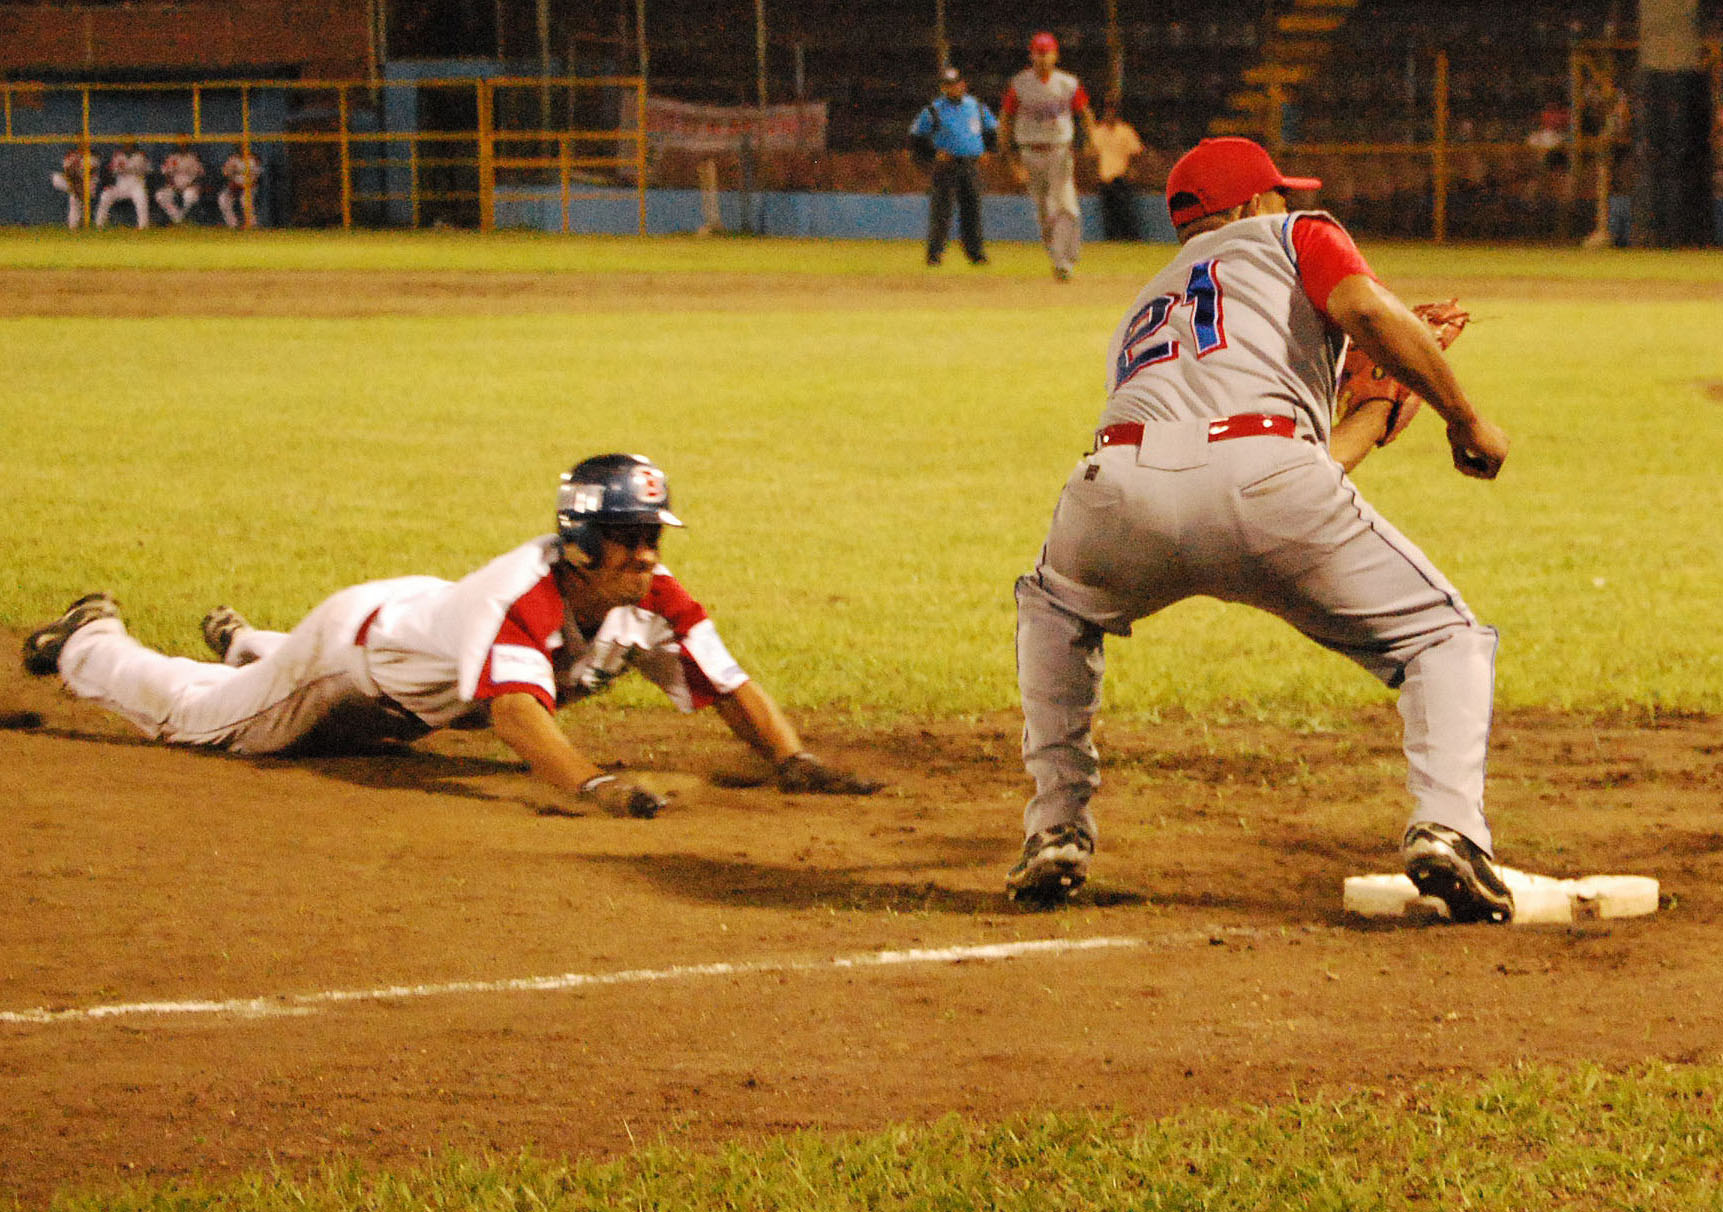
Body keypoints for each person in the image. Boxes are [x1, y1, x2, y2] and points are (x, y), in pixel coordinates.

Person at [1008, 137, 1514, 925]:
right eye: (1277, 192)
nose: (1286, 202)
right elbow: (1357, 323)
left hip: (1113, 487)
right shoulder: (1298, 232)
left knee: (1054, 609)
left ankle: (1054, 831)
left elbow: (1238, 464)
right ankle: (1448, 829)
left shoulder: (1147, 304)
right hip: (1265, 476)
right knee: (1443, 640)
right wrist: (1464, 418)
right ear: (1249, 206)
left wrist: (1371, 415)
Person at [21, 454, 883, 816]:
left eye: (656, 536)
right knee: (205, 723)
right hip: (349, 657)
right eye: (633, 536)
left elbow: (725, 682)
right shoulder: (525, 594)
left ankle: (249, 642)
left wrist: (791, 763)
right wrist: (593, 787)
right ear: (582, 541)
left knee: (374, 717)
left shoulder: (648, 595)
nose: (649, 555)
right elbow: (513, 717)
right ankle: (89, 643)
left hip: (416, 642)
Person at [998, 31, 1098, 281]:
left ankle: (1064, 261)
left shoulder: (1067, 83)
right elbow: (1006, 120)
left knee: (1065, 205)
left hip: (1059, 150)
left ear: (1055, 55)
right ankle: (1060, 255)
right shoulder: (1020, 83)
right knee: (1044, 212)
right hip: (1030, 152)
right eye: (1038, 53)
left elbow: (1084, 112)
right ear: (1031, 55)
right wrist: (1010, 158)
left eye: (1047, 53)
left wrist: (1091, 141)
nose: (1042, 58)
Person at [907, 65, 998, 267]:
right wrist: (933, 154)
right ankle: (935, 254)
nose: (951, 89)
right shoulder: (933, 110)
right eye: (947, 85)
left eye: (954, 84)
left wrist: (988, 151)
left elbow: (992, 131)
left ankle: (975, 253)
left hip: (970, 164)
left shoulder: (977, 107)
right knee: (941, 211)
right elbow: (916, 138)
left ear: (962, 84)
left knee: (972, 210)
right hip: (946, 166)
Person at [1091, 101, 1144, 240]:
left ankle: (1130, 237)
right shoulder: (1097, 132)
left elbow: (1135, 153)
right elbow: (1093, 155)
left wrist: (1131, 170)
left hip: (1121, 175)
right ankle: (1112, 238)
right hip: (1105, 177)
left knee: (1125, 211)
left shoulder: (1125, 131)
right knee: (1108, 212)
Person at [94, 140, 152, 229]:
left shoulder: (140, 156)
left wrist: (127, 167)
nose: (127, 146)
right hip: (120, 186)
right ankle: (99, 225)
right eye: (126, 144)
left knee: (142, 198)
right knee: (105, 195)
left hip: (136, 185)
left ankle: (143, 226)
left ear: (134, 145)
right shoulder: (118, 156)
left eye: (130, 144)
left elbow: (148, 170)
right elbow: (110, 171)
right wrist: (109, 182)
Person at [154, 138, 205, 225]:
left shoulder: (193, 157)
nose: (182, 146)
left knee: (189, 196)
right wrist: (172, 185)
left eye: (184, 143)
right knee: (160, 195)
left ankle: (179, 218)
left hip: (190, 186)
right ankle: (178, 218)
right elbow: (165, 173)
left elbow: (200, 175)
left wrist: (192, 185)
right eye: (180, 143)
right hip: (173, 186)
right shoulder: (172, 157)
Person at [50, 140, 97, 230]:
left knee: (74, 198)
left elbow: (89, 173)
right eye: (80, 141)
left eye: (84, 141)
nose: (81, 144)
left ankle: (74, 227)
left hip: (87, 185)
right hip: (73, 184)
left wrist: (77, 186)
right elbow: (67, 171)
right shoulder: (71, 154)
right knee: (55, 178)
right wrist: (73, 185)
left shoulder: (92, 157)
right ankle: (75, 226)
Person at [218, 147, 264, 229]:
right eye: (240, 146)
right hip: (235, 186)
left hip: (250, 186)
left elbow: (257, 176)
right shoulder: (233, 159)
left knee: (244, 199)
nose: (242, 149)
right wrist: (231, 172)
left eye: (244, 147)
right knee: (223, 199)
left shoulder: (252, 160)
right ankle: (233, 224)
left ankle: (252, 224)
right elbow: (225, 173)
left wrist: (247, 184)